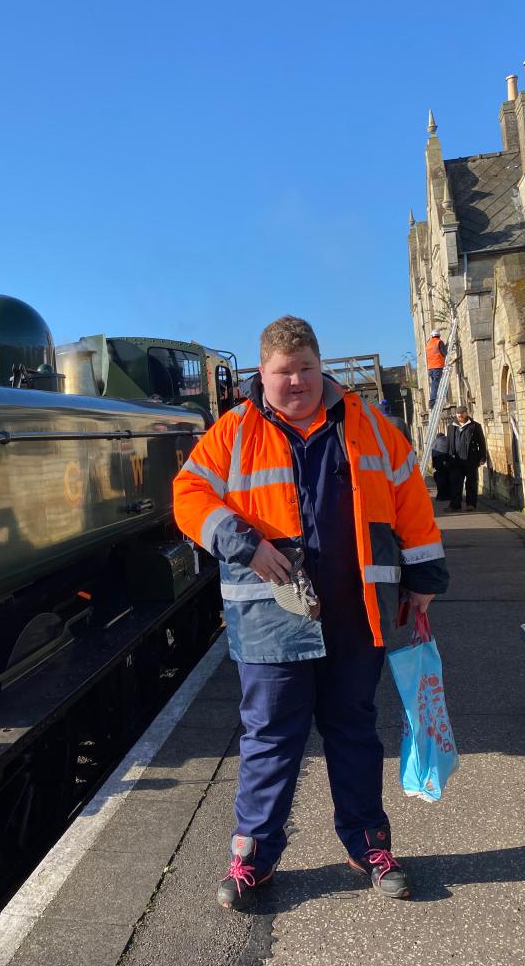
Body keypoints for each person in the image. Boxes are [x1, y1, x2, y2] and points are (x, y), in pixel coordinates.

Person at [173, 316, 448, 911]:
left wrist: (424, 577)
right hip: (271, 620)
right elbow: (189, 495)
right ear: (261, 374)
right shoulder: (232, 433)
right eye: (281, 372)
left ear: (320, 366)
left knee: (353, 733)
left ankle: (369, 845)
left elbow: (411, 502)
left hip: (356, 614)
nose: (294, 381)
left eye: (304, 369)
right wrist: (246, 542)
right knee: (270, 739)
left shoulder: (374, 427)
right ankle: (253, 858)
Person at [447, 406, 487, 510]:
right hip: (456, 460)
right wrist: (447, 457)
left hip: (471, 459)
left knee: (471, 483)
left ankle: (471, 504)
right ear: (456, 414)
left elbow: (481, 442)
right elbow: (449, 443)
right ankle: (455, 505)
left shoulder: (475, 426)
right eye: (458, 413)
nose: (460, 415)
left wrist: (483, 456)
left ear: (466, 413)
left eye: (462, 413)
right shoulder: (451, 426)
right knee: (455, 483)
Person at [426, 330, 447, 409]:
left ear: (432, 336)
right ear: (439, 335)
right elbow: (443, 353)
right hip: (437, 366)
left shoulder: (428, 344)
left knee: (434, 384)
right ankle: (432, 402)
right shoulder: (439, 342)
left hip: (430, 368)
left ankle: (433, 400)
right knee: (435, 384)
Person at [431, 432, 452, 501]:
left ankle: (441, 496)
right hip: (447, 458)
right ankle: (449, 495)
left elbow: (433, 452)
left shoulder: (436, 441)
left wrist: (433, 465)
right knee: (448, 476)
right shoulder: (448, 439)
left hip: (438, 459)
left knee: (440, 477)